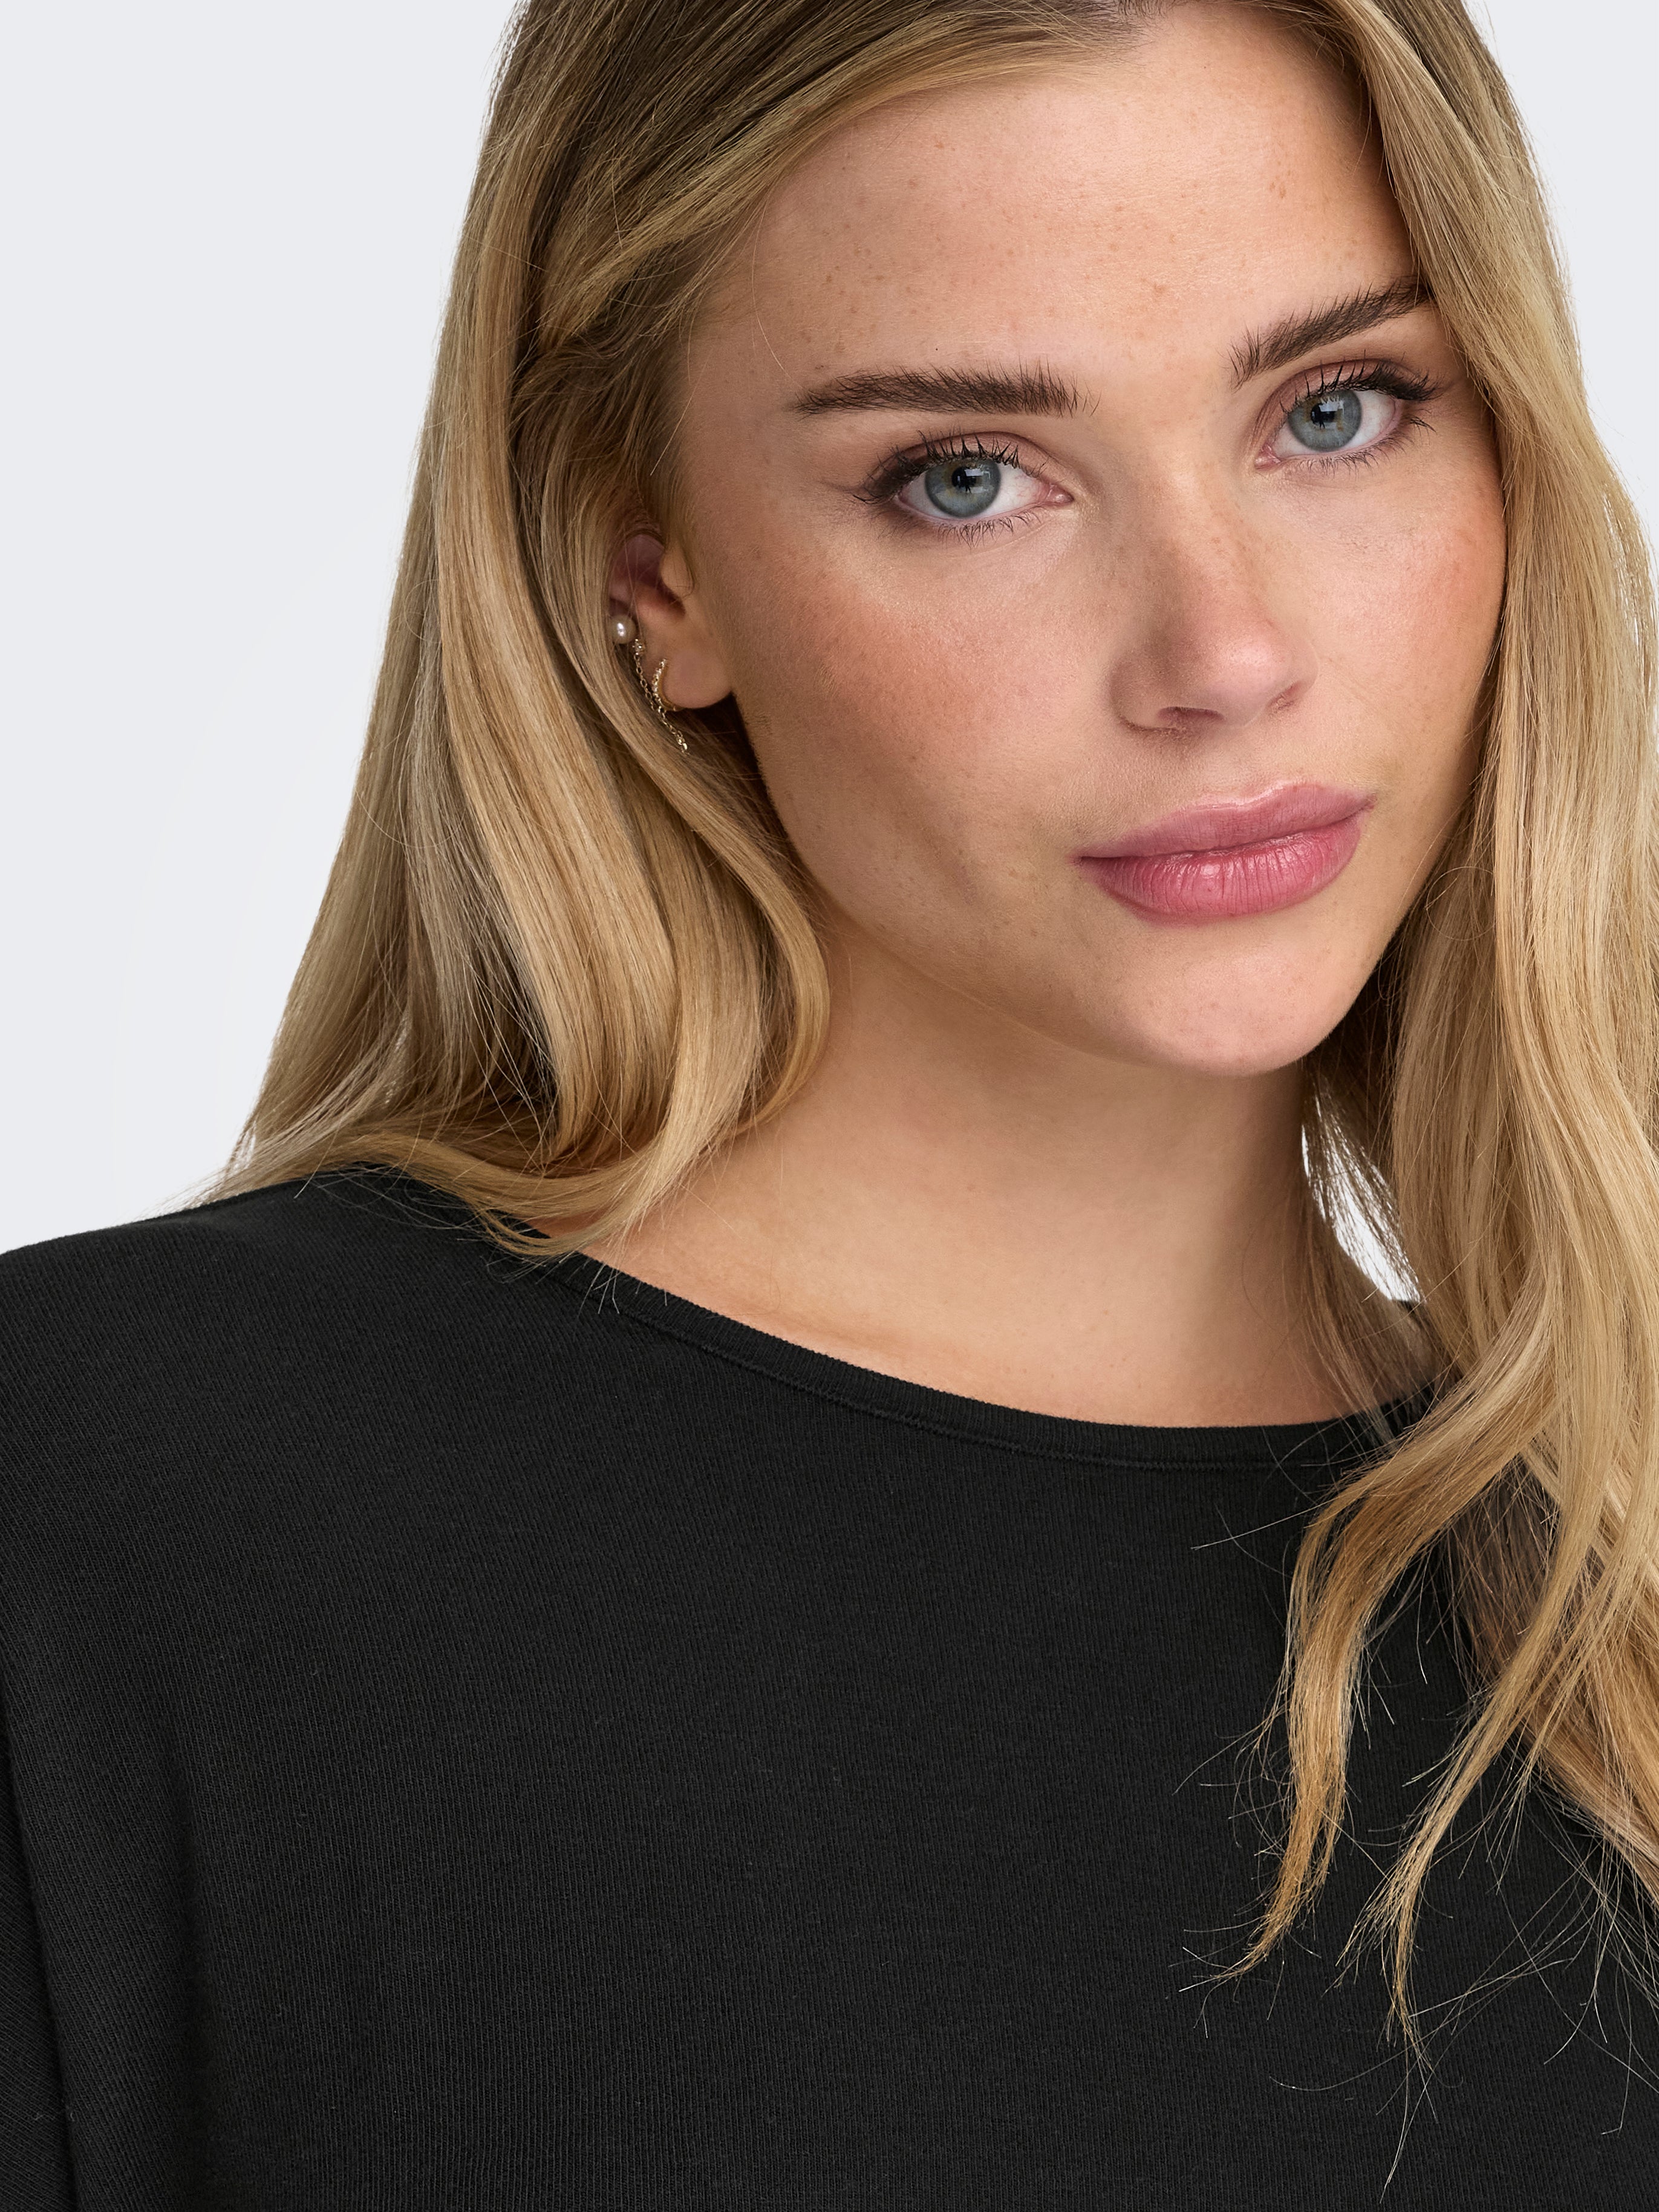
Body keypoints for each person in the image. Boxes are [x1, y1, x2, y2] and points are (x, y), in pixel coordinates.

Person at [4, 0, 1657, 2201]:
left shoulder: (1617, 1585)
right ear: (650, 571)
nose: (1225, 652)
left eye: (1335, 411)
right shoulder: (110, 1513)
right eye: (966, 474)